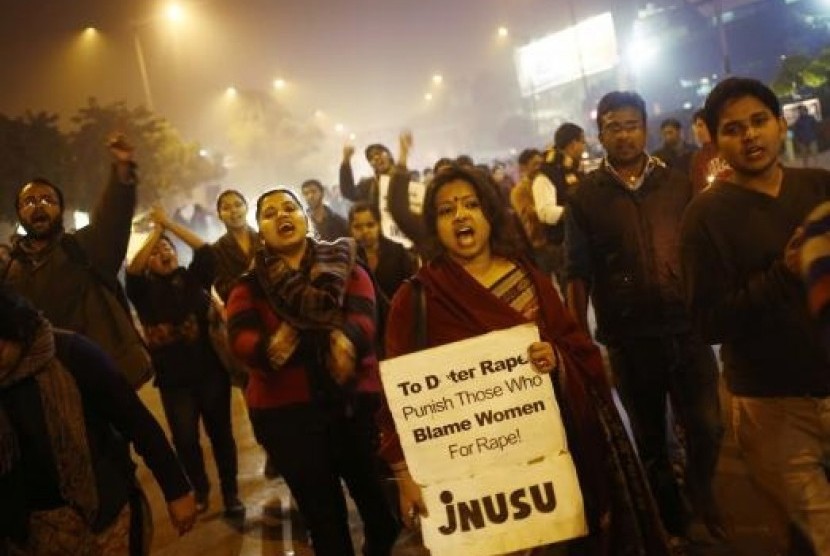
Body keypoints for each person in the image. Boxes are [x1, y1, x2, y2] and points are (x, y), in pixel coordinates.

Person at [377, 164, 669, 554]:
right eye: (447, 211)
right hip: (469, 483)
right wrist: (404, 475)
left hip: (547, 467)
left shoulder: (528, 278)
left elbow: (579, 351)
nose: (461, 215)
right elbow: (397, 399)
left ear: (489, 215)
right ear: (434, 225)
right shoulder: (416, 300)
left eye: (471, 205)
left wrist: (558, 360)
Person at [564, 91, 724, 546]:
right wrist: (579, 342)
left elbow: (703, 250)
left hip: (686, 329)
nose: (624, 134)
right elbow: (577, 271)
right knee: (651, 442)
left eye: (632, 124)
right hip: (629, 340)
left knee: (709, 428)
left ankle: (701, 491)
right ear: (600, 134)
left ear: (646, 128)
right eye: (613, 126)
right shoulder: (585, 199)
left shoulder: (677, 183)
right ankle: (674, 522)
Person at [680, 76, 830, 555]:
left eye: (760, 121)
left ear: (781, 123)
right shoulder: (705, 218)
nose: (750, 135)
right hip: (773, 407)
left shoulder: (820, 189)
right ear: (715, 139)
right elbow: (708, 323)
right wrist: (782, 275)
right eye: (733, 128)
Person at [225, 189, 399, 556]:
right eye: (269, 213)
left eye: (290, 208)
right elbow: (239, 336)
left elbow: (365, 315)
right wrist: (268, 349)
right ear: (261, 230)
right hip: (289, 421)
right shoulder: (249, 284)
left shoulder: (344, 259)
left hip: (352, 409)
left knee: (383, 513)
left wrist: (348, 340)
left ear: (306, 218)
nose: (281, 215)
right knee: (326, 524)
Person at [0, 286, 196, 555]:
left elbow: (136, 421)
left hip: (107, 520)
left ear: (15, 329)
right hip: (31, 539)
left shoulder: (70, 353)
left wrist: (176, 489)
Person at [1, 134, 152, 388]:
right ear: (19, 214)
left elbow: (112, 217)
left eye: (48, 200)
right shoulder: (9, 267)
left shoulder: (85, 247)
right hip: (42, 385)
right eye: (29, 201)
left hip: (100, 378)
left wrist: (122, 171)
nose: (39, 205)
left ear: (60, 210)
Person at [125, 206, 242, 519]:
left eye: (168, 249)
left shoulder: (192, 279)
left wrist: (168, 226)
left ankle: (231, 492)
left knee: (221, 435)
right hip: (174, 382)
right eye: (157, 251)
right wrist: (155, 235)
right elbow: (133, 270)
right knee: (186, 441)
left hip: (210, 374)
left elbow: (202, 249)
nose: (164, 252)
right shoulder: (142, 289)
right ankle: (201, 490)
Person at [210, 188, 279, 479]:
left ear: (246, 206)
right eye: (226, 207)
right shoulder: (218, 250)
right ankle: (271, 451)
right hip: (244, 325)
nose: (233, 210)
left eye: (238, 204)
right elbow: (223, 287)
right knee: (255, 394)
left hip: (275, 319)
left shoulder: (265, 237)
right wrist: (249, 276)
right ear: (220, 214)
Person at [511, 148, 565, 287]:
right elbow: (528, 215)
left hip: (553, 241)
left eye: (540, 164)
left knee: (564, 281)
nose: (539, 168)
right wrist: (546, 208)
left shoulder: (546, 182)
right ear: (523, 167)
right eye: (534, 164)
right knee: (545, 285)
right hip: (538, 245)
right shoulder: (519, 190)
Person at [541, 122, 586, 204]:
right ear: (573, 144)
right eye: (583, 142)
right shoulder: (547, 173)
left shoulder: (574, 167)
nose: (584, 146)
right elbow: (547, 213)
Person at [688, 108, 731, 195]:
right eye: (695, 126)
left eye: (700, 125)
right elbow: (697, 188)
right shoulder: (698, 157)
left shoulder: (729, 146)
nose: (697, 131)